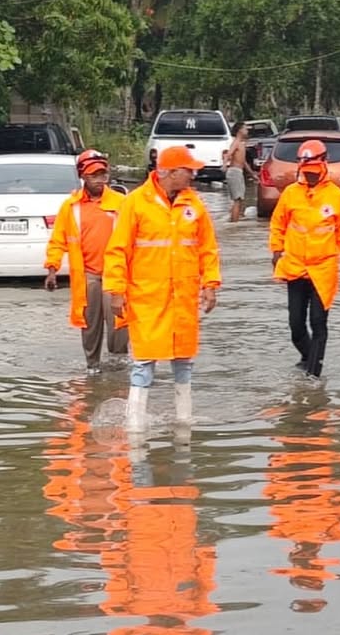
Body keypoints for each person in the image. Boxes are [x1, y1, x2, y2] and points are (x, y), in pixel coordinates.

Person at [103, 145, 222, 432]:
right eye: (188, 170)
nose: (194, 174)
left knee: (183, 361)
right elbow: (117, 250)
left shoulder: (194, 205)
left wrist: (211, 285)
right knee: (144, 363)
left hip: (183, 298)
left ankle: (184, 422)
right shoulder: (135, 203)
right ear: (169, 173)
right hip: (147, 298)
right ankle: (134, 426)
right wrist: (116, 291)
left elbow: (207, 248)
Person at [269, 139, 340, 378]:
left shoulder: (335, 196)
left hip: (324, 269)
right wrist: (276, 251)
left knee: (318, 323)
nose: (309, 177)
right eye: (306, 172)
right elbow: (278, 224)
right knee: (296, 326)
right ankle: (308, 357)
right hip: (295, 267)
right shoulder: (290, 194)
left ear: (324, 165)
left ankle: (314, 375)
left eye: (313, 172)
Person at [44, 148, 129, 375]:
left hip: (115, 276)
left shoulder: (122, 203)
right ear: (83, 176)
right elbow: (57, 241)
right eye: (94, 175)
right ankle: (92, 368)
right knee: (89, 325)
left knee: (119, 325)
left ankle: (118, 370)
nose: (100, 179)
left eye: (103, 174)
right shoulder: (71, 207)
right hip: (87, 275)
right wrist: (52, 269)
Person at [223, 122, 254, 223]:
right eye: (245, 129)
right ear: (239, 130)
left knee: (239, 200)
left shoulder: (241, 144)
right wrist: (224, 165)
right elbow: (228, 154)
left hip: (238, 172)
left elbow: (244, 162)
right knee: (238, 199)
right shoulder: (236, 142)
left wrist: (252, 174)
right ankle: (234, 224)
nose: (247, 131)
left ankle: (233, 220)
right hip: (234, 172)